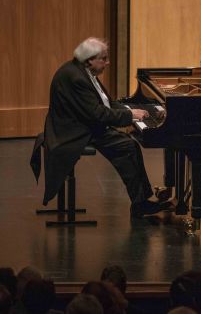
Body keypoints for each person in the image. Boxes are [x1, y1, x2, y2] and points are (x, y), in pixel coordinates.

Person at [31, 37, 167, 218]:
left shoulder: (84, 72)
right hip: (73, 132)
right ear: (89, 59)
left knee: (129, 145)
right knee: (127, 146)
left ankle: (141, 201)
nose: (107, 62)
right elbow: (98, 114)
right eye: (103, 58)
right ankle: (140, 203)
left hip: (82, 124)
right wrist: (130, 116)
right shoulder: (76, 78)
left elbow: (107, 103)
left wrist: (132, 110)